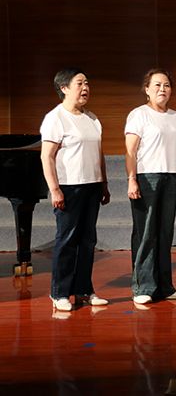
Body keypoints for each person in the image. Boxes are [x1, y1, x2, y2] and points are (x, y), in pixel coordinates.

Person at [40, 68, 111, 312]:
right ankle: (59, 292)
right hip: (69, 187)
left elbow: (99, 154)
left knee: (88, 240)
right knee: (67, 240)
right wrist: (55, 189)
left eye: (87, 83)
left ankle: (83, 290)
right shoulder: (55, 118)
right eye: (79, 83)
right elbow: (47, 156)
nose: (85, 88)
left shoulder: (92, 118)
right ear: (64, 88)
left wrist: (104, 183)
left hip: (92, 185)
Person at [125, 69, 176, 305]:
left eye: (166, 85)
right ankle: (143, 286)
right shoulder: (139, 114)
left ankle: (164, 286)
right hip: (147, 178)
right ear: (147, 89)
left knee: (165, 233)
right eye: (157, 85)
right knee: (146, 233)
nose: (162, 89)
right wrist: (131, 179)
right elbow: (131, 151)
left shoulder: (175, 117)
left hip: (171, 177)